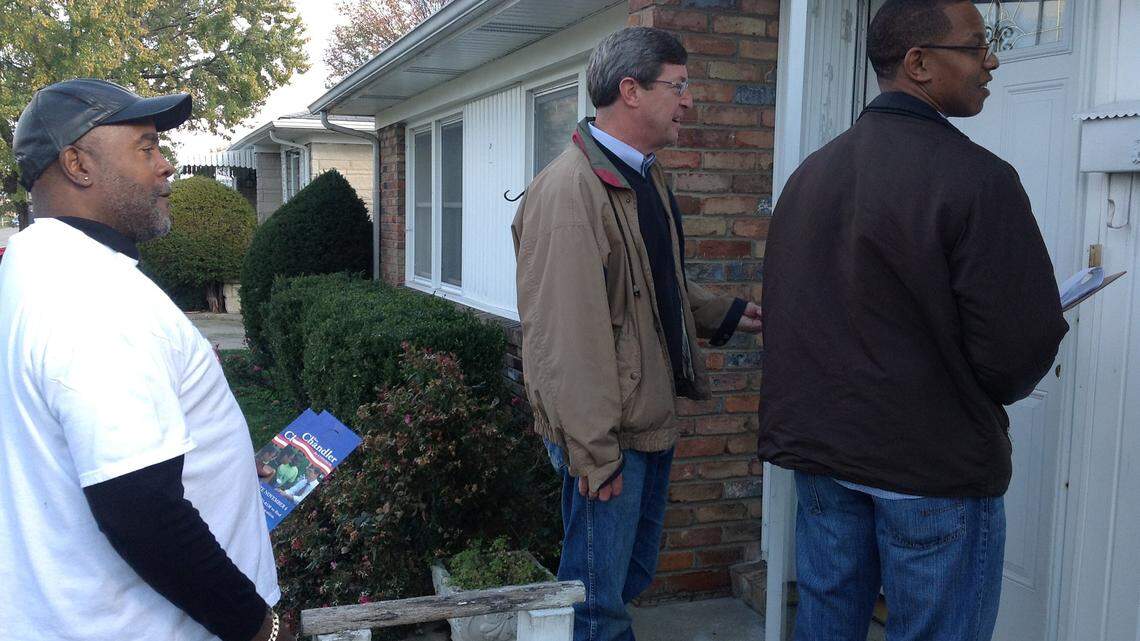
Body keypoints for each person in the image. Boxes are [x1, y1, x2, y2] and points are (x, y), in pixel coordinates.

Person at [756, 2, 1070, 640]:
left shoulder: (808, 177)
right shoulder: (978, 179)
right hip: (932, 467)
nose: (992, 61)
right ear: (918, 63)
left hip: (825, 457)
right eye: (977, 46)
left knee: (825, 626)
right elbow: (1018, 346)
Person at [0, 79, 294, 641]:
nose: (166, 168)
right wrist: (261, 628)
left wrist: (223, 461)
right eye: (145, 148)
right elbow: (140, 510)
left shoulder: (31, 265)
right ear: (77, 164)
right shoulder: (93, 296)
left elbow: (78, 447)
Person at [511, 27, 762, 641]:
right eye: (677, 87)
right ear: (630, 91)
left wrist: (722, 313)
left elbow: (652, 284)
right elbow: (568, 341)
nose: (689, 101)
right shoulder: (573, 192)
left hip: (644, 419)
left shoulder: (643, 177)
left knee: (626, 579)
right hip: (609, 435)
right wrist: (595, 455)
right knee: (597, 607)